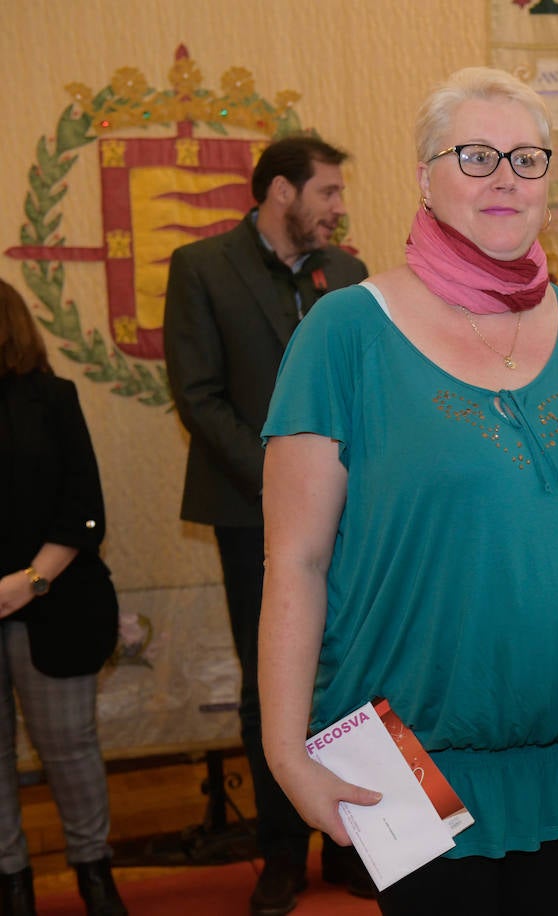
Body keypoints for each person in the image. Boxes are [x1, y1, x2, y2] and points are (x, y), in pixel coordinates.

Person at [257, 67, 558, 916]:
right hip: (407, 761)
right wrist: (287, 757)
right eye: (475, 156)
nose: (505, 177)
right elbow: (295, 562)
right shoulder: (345, 332)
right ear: (424, 178)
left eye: (527, 158)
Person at [162, 135, 372, 915]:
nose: (339, 207)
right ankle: (281, 851)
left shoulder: (347, 274)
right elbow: (199, 396)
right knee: (272, 681)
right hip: (250, 511)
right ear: (281, 191)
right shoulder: (201, 268)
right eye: (327, 193)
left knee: (349, 671)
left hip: (350, 513)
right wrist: (286, 483)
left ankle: (351, 839)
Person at [0, 279, 125, 916]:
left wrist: (27, 582)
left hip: (54, 605)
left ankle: (93, 872)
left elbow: (84, 510)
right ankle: (11, 881)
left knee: (69, 749)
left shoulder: (52, 398)